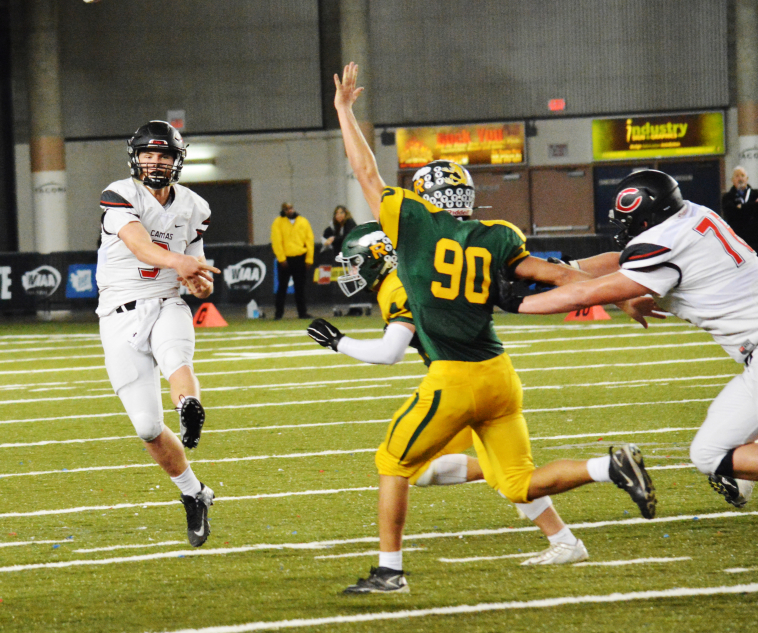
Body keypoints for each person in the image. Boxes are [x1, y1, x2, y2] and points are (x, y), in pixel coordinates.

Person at [332, 62, 656, 594]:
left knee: (392, 460)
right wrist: (623, 296)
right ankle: (608, 468)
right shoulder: (497, 235)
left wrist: (346, 111)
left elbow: (365, 172)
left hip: (453, 379)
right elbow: (557, 274)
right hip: (499, 376)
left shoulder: (408, 223)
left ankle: (390, 572)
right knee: (517, 481)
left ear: (424, 198)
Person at [307, 219, 589, 566]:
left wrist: (339, 343)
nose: (349, 272)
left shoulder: (398, 287)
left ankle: (390, 570)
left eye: (353, 262)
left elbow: (389, 353)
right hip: (484, 373)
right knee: (424, 470)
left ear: (375, 257)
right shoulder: (409, 274)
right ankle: (560, 535)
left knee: (398, 464)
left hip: (460, 381)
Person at [508, 168, 758, 509]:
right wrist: (558, 268)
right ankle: (738, 475)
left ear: (648, 218)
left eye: (631, 221)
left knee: (709, 453)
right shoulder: (695, 213)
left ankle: (735, 472)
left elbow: (585, 295)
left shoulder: (663, 242)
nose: (625, 229)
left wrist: (514, 302)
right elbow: (619, 264)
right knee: (728, 431)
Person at [96, 120, 220, 547]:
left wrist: (201, 283)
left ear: (176, 160)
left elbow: (196, 269)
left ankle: (189, 406)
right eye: (148, 153)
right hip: (118, 313)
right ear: (135, 157)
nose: (154, 161)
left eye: (163, 154)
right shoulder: (120, 195)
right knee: (148, 427)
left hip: (167, 301)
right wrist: (180, 264)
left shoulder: (194, 207)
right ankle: (194, 493)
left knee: (175, 359)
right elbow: (141, 246)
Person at [270, 202, 314, 320]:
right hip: (286, 259)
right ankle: (278, 313)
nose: (289, 210)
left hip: (300, 257)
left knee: (300, 287)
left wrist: (309, 258)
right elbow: (276, 241)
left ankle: (302, 312)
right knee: (282, 287)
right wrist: (281, 258)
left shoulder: (303, 221)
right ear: (283, 210)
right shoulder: (278, 222)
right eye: (286, 209)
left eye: (290, 208)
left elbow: (309, 240)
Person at [721, 165, 758, 250]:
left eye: (742, 175)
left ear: (747, 178)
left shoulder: (755, 194)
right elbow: (731, 214)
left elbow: (739, 213)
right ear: (732, 180)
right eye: (737, 176)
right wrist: (753, 206)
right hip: (738, 240)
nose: (740, 179)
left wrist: (741, 207)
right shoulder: (727, 197)